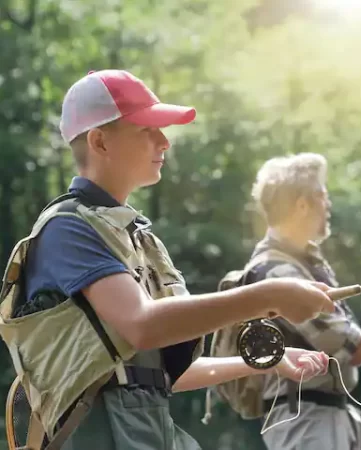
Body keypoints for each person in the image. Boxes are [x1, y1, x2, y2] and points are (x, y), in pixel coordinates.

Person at [0, 71, 335, 450]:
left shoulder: (139, 238)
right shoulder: (68, 230)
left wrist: (271, 360)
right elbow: (143, 326)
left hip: (150, 430)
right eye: (148, 130)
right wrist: (269, 295)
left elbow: (168, 371)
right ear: (99, 142)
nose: (164, 142)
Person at [210, 153, 361, 450]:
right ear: (302, 204)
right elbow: (352, 348)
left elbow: (350, 334)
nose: (328, 204)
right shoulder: (275, 271)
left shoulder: (299, 264)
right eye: (323, 194)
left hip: (332, 414)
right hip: (304, 421)